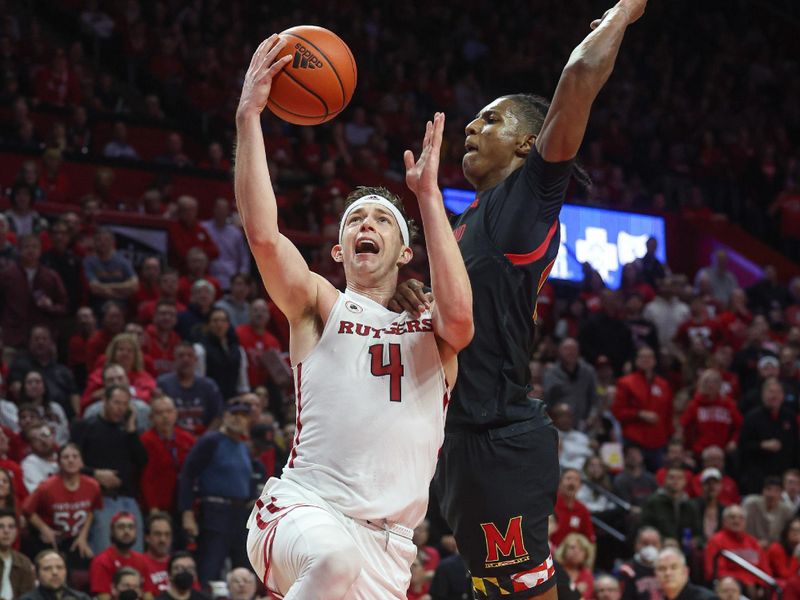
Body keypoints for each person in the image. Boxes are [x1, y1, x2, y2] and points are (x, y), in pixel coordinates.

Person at [389, 3, 649, 598]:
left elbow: (579, 80)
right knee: (489, 589)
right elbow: (468, 314)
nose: (472, 129)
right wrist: (421, 302)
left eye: (490, 120)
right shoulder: (470, 220)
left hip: (498, 435)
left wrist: (624, 14)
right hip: (459, 433)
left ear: (530, 143)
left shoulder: (527, 200)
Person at [237, 35, 472, 600]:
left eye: (383, 220)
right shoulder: (320, 305)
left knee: (342, 563)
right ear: (340, 250)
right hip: (303, 509)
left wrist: (428, 199)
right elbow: (265, 238)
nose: (366, 225)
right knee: (334, 559)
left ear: (405, 249)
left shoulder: (433, 325)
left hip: (389, 551)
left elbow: (462, 321)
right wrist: (249, 117)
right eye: (354, 220)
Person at [178, 400, 253, 584]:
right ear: (225, 417)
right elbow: (188, 474)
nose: (238, 420)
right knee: (210, 567)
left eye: (243, 416)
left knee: (243, 570)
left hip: (240, 514)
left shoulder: (243, 447)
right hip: (215, 511)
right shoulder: (211, 441)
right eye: (234, 414)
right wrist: (187, 512)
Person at [72, 385, 148, 553]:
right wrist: (95, 474)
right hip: (100, 500)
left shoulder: (129, 431)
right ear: (104, 401)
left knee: (135, 553)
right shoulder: (85, 427)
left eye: (124, 404)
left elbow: (142, 460)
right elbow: (70, 465)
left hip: (128, 497)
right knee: (105, 552)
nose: (120, 408)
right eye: (116, 403)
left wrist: (131, 429)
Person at [23, 443, 101, 570]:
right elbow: (27, 509)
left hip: (75, 539)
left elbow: (91, 510)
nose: (71, 460)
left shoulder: (93, 486)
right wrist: (44, 529)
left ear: (81, 462)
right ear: (59, 463)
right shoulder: (46, 487)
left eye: (75, 456)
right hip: (50, 540)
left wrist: (83, 536)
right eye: (66, 457)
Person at [0, 235, 68, 350]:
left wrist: (50, 307)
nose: (31, 250)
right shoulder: (6, 275)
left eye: (35, 247)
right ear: (19, 250)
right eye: (27, 247)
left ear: (40, 250)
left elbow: (64, 306)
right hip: (12, 337)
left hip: (43, 340)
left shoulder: (51, 276)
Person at [612, 346, 673, 471]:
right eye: (642, 357)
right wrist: (639, 414)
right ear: (636, 360)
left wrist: (668, 437)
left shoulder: (663, 384)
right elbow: (618, 411)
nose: (646, 360)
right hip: (634, 440)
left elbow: (668, 414)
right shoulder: (625, 383)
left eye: (649, 357)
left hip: (658, 441)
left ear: (655, 361)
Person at [139, 396, 195, 515]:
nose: (165, 416)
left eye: (169, 411)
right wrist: (153, 508)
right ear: (151, 418)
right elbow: (146, 478)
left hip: (183, 505)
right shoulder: (145, 441)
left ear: (175, 414)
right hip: (157, 506)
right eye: (159, 413)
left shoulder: (187, 440)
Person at [155, 343, 224, 435]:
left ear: (196, 360)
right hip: (173, 437)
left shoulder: (209, 385)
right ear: (174, 360)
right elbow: (159, 416)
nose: (185, 359)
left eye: (190, 356)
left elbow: (218, 417)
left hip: (203, 438)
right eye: (181, 356)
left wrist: (205, 438)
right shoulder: (163, 383)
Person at [704, 505, 770, 595]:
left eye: (741, 518)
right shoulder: (716, 541)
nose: (737, 521)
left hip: (754, 585)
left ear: (745, 522)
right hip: (730, 586)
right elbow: (714, 572)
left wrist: (760, 585)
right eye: (732, 517)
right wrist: (745, 581)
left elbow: (765, 570)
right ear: (724, 521)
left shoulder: (753, 542)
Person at [89, 511, 149, 600]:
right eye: (121, 527)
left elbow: (148, 594)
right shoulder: (101, 560)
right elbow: (103, 597)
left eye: (131, 527)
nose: (126, 531)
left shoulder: (142, 559)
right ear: (112, 531)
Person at [542, 338, 598, 428]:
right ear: (559, 352)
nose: (570, 353)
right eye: (567, 349)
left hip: (583, 424)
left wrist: (591, 417)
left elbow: (594, 399)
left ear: (579, 352)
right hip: (558, 426)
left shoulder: (588, 372)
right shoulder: (550, 373)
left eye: (573, 349)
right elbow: (546, 401)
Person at [640, 466, 701, 544]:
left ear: (685, 482)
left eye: (679, 478)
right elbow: (645, 528)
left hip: (685, 549)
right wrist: (663, 540)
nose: (675, 481)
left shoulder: (690, 505)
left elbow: (698, 533)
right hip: (659, 547)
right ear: (665, 480)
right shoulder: (653, 502)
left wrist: (695, 540)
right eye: (671, 477)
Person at [201, 198, 250, 291]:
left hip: (231, 277)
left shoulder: (235, 233)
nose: (221, 212)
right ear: (214, 209)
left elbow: (244, 257)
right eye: (219, 208)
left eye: (224, 209)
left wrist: (243, 275)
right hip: (207, 275)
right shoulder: (204, 228)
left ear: (228, 211)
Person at [742, 476, 794, 547]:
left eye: (776, 490)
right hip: (749, 544)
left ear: (781, 493)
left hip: (776, 547)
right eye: (768, 489)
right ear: (762, 491)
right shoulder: (750, 504)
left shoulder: (786, 510)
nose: (772, 494)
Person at [18, 549, 92, 600]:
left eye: (60, 567)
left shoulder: (81, 598)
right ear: (36, 574)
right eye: (47, 568)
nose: (55, 572)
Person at [0, 507, 35, 598]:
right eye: (1, 526)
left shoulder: (24, 562)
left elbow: (29, 596)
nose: (6, 531)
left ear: (16, 532)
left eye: (11, 527)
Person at [618, 527, 661, 600]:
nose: (650, 547)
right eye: (645, 543)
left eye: (654, 544)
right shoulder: (627, 569)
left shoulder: (665, 567)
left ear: (660, 545)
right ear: (636, 545)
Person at [553, 533, 595, 599]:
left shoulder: (587, 575)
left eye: (581, 549)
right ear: (563, 550)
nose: (576, 551)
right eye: (572, 547)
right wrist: (575, 592)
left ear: (586, 555)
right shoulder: (554, 569)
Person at [141, 512, 173, 595]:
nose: (163, 539)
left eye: (167, 534)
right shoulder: (138, 563)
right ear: (147, 538)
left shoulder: (180, 565)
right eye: (157, 534)